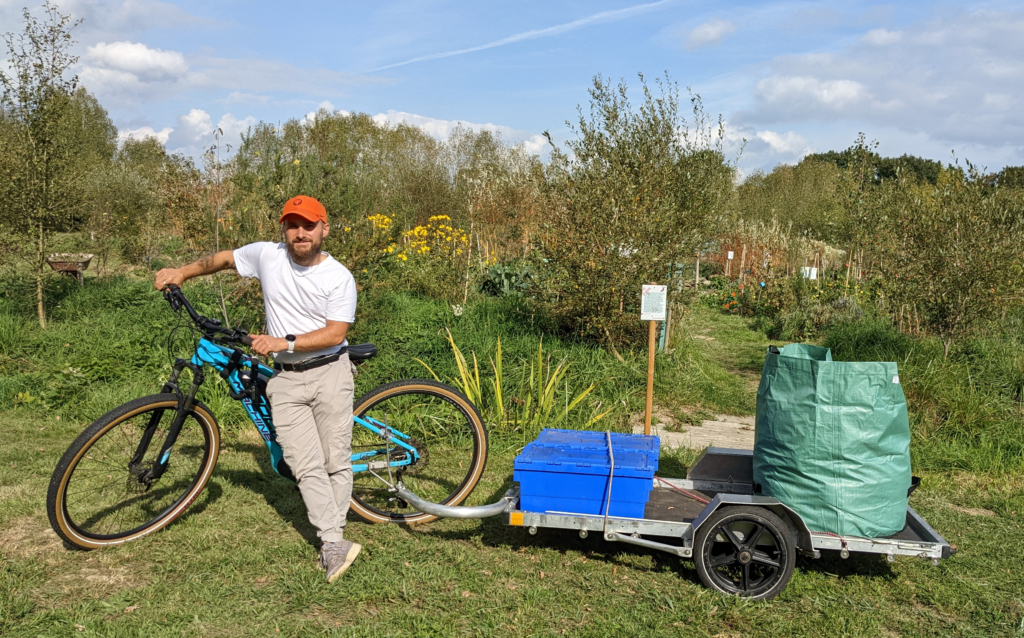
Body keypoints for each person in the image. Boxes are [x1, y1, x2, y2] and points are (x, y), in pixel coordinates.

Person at [154, 195, 361, 582]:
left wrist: (286, 341)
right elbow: (224, 259)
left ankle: (333, 533)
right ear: (283, 228)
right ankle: (334, 540)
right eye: (292, 225)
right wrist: (181, 271)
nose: (301, 233)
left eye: (309, 225)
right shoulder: (268, 255)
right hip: (285, 378)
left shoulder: (338, 277)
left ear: (324, 228)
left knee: (335, 460)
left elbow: (336, 332)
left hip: (330, 372)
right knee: (303, 463)